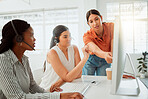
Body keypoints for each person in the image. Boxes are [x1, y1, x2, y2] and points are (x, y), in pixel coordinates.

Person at [0, 19, 84, 99]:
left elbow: (33, 87)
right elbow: (18, 97)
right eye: (31, 35)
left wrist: (55, 96)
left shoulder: (24, 59)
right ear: (19, 39)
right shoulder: (2, 60)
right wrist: (60, 97)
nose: (35, 39)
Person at [39, 25, 89, 92]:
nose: (69, 39)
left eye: (69, 36)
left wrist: (62, 80)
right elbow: (68, 78)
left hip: (64, 86)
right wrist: (85, 58)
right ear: (57, 38)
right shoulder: (52, 53)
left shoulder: (74, 48)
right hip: (50, 88)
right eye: (65, 37)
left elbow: (79, 73)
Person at [82, 9, 114, 76]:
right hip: (91, 59)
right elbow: (95, 50)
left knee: (103, 81)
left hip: (105, 60)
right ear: (88, 24)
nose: (95, 23)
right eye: (91, 22)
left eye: (96, 19)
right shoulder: (87, 36)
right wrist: (105, 55)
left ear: (101, 18)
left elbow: (114, 44)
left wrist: (112, 56)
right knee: (88, 81)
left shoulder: (111, 27)